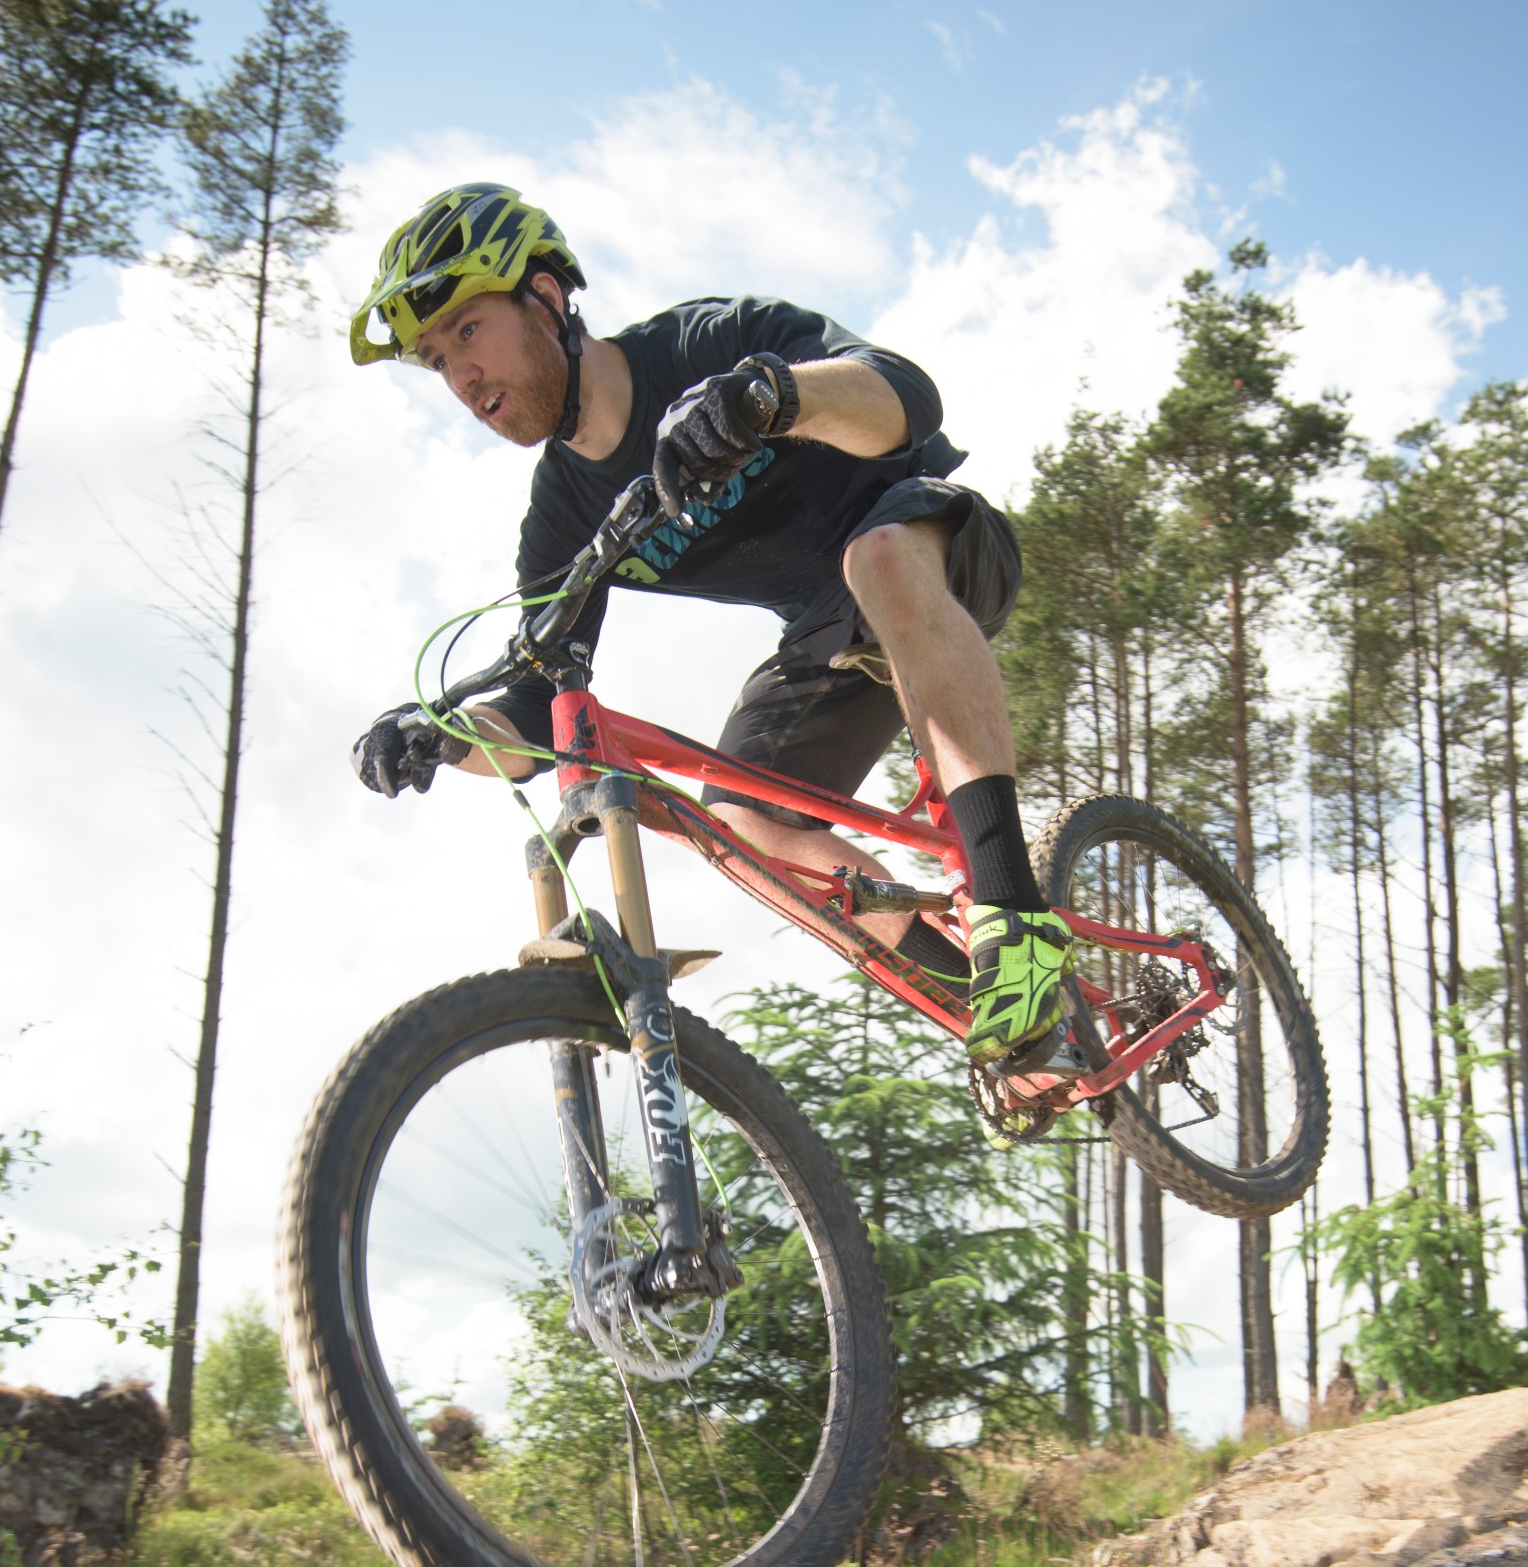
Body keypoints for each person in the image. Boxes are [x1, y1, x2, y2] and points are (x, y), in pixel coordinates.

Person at [342, 182, 1072, 1068]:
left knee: (872, 557)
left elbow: (908, 399)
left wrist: (771, 397)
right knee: (735, 819)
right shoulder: (564, 515)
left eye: (467, 331)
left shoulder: (701, 343)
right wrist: (441, 738)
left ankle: (1014, 915)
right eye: (436, 359)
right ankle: (991, 1012)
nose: (461, 377)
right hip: (825, 637)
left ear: (545, 298)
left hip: (933, 544)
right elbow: (538, 710)